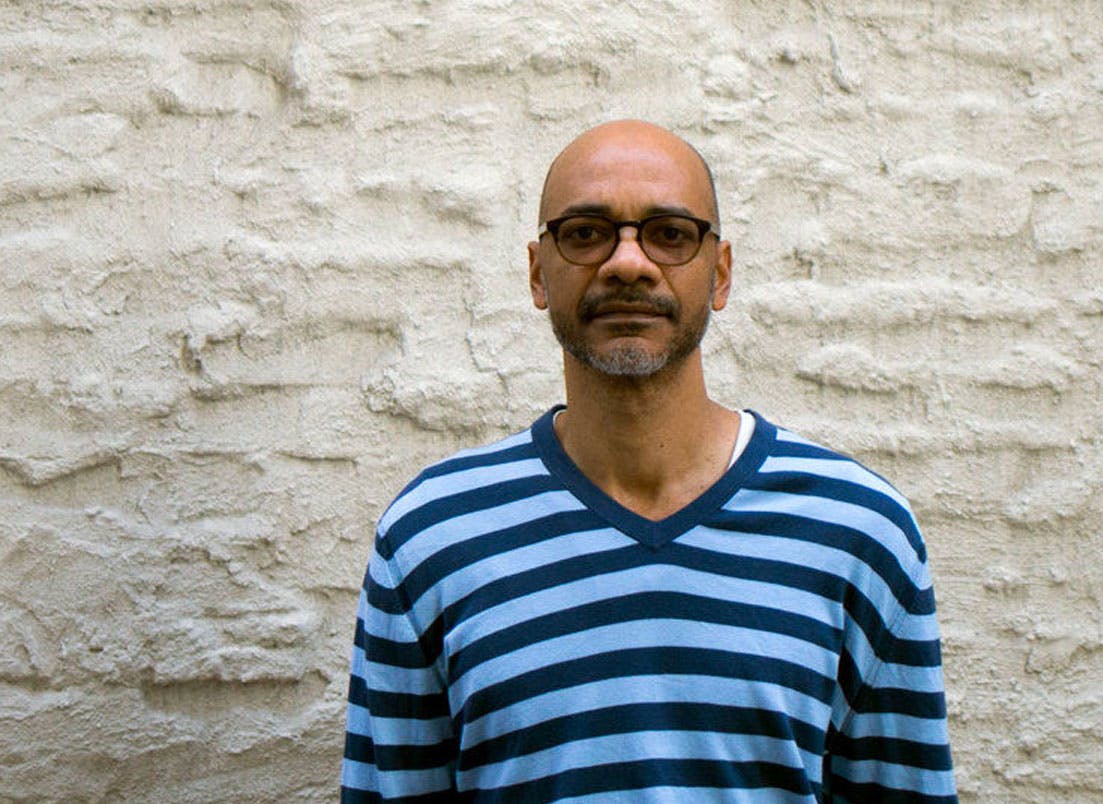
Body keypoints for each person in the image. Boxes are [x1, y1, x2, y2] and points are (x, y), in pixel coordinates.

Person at [340, 120, 957, 802]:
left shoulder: (858, 530)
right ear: (537, 273)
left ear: (719, 274)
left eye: (669, 234)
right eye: (584, 233)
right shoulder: (433, 536)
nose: (627, 263)